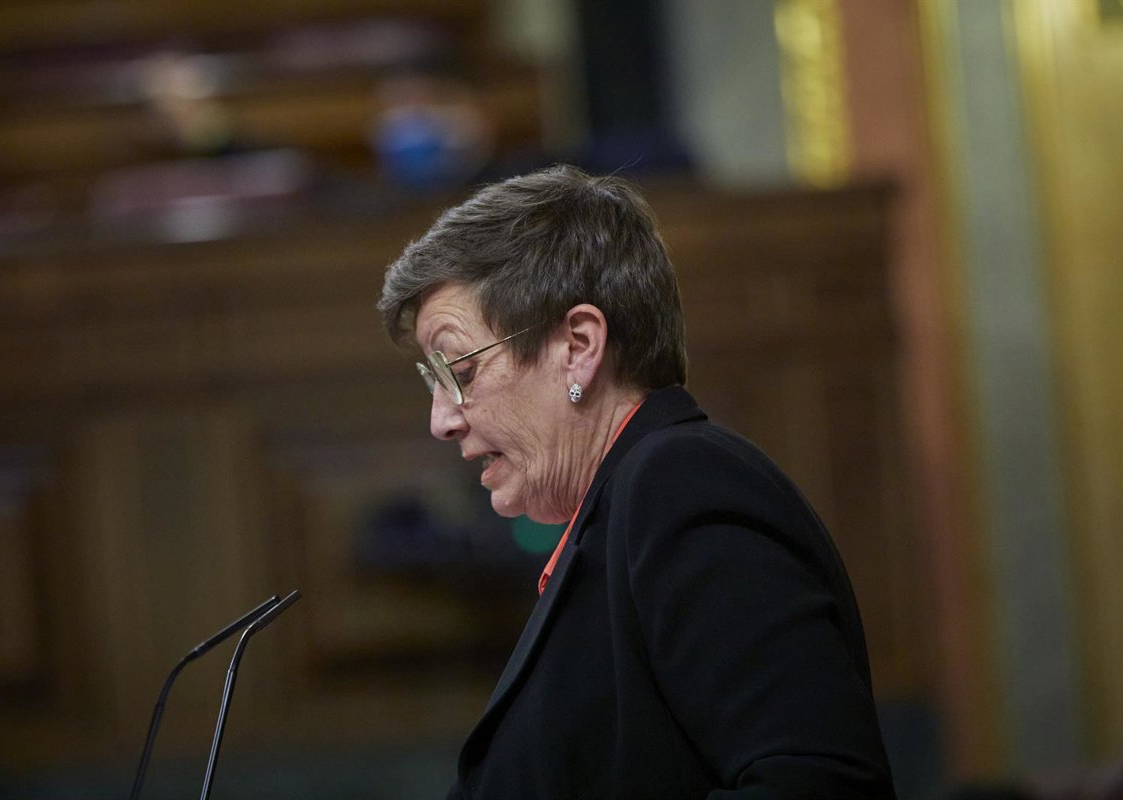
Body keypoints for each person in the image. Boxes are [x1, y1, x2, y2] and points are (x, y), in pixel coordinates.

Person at [377, 165, 897, 799]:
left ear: (578, 347)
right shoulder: (619, 517)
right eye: (432, 382)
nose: (441, 420)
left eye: (459, 372)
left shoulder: (680, 484)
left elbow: (819, 783)